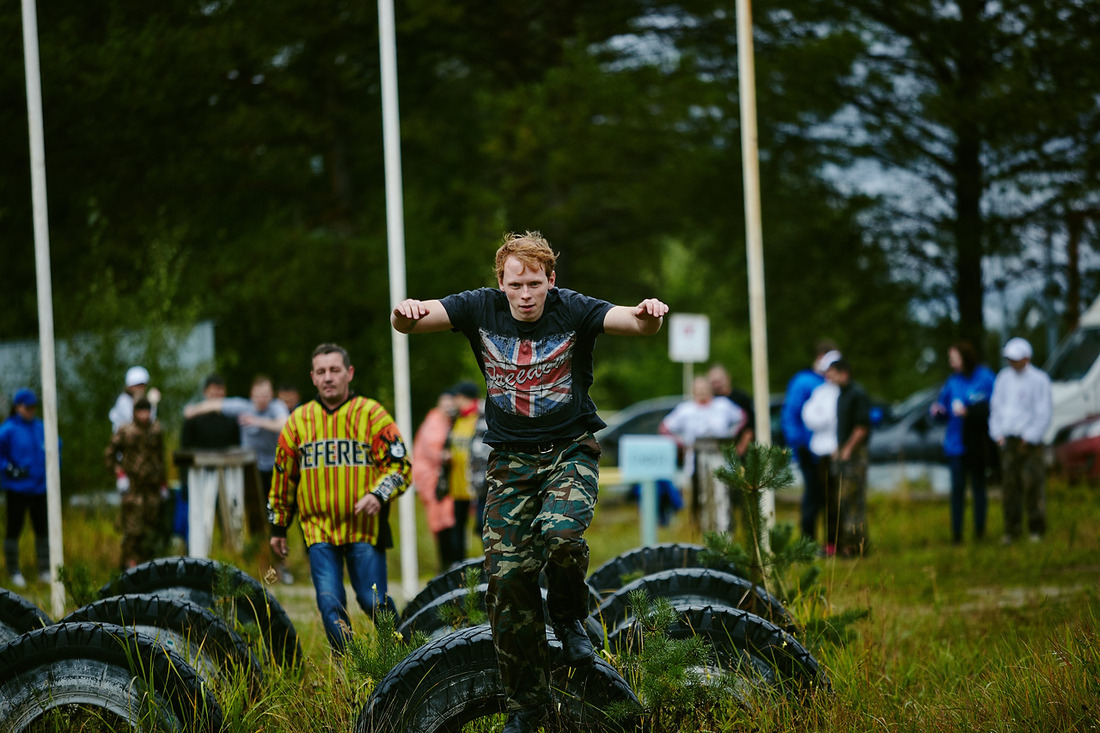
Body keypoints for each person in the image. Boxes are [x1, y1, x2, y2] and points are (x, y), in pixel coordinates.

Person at [391, 230, 669, 733]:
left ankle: (567, 615)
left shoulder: (572, 309)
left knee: (562, 537)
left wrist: (648, 316)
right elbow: (414, 321)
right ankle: (528, 704)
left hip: (569, 452)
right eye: (516, 284)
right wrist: (403, 313)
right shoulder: (480, 308)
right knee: (508, 579)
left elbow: (630, 321)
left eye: (535, 284)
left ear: (551, 281)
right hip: (510, 463)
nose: (525, 295)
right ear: (501, 283)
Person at [267, 343, 412, 652]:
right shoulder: (297, 421)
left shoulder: (372, 414)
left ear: (349, 373)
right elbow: (283, 478)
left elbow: (401, 467)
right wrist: (278, 527)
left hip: (365, 529)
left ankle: (405, 657)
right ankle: (351, 666)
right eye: (321, 372)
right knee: (329, 604)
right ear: (312, 377)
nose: (328, 378)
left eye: (334, 370)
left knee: (373, 601)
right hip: (318, 531)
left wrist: (378, 493)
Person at [930, 341, 997, 544]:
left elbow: (996, 406)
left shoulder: (985, 377)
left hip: (976, 443)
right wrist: (938, 412)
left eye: (954, 358)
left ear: (965, 357)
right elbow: (942, 406)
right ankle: (957, 535)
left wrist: (970, 411)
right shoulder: (952, 382)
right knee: (957, 490)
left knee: (978, 488)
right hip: (955, 444)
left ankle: (980, 532)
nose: (951, 363)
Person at [988, 337, 1052, 545]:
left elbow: (1043, 412)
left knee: (1033, 483)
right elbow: (996, 408)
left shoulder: (1039, 379)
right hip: (1008, 440)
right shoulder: (1003, 378)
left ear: (1027, 358)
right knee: (1009, 486)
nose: (1012, 363)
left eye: (1016, 359)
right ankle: (1012, 529)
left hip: (1029, 442)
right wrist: (997, 434)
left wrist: (1030, 437)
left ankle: (1037, 528)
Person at [105, 397, 167, 569]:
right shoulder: (125, 431)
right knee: (133, 531)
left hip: (152, 488)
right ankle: (127, 569)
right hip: (133, 488)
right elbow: (109, 455)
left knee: (151, 530)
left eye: (147, 411)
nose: (144, 415)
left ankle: (147, 569)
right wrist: (120, 474)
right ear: (135, 412)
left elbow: (160, 458)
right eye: (141, 411)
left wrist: (163, 483)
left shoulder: (155, 430)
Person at [0, 389, 51, 587]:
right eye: (27, 406)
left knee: (42, 529)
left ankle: (45, 570)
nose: (31, 410)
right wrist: (8, 468)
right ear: (18, 406)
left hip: (39, 488)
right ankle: (13, 571)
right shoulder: (8, 429)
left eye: (33, 407)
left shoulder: (40, 427)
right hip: (17, 489)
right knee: (14, 529)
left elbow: (56, 448)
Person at [792, 345, 841, 543]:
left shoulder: (832, 385)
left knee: (828, 498)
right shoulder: (804, 381)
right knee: (813, 497)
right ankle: (808, 542)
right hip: (808, 449)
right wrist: (799, 444)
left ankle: (831, 541)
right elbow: (793, 413)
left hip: (828, 451)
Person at [826, 358, 872, 557]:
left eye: (833, 373)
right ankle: (847, 545)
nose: (830, 377)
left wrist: (849, 448)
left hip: (855, 456)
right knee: (843, 501)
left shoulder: (857, 394)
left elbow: (862, 426)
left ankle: (857, 546)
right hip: (844, 453)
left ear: (843, 373)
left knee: (853, 501)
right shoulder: (841, 395)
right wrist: (838, 449)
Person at [412, 388, 459, 573]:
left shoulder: (442, 421)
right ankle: (447, 567)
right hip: (432, 481)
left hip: (436, 481)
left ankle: (448, 566)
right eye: (445, 404)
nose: (448, 408)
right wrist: (456, 456)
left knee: (445, 521)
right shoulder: (435, 421)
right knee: (442, 524)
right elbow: (437, 451)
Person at [706, 363, 754, 456]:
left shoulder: (740, 397)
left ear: (727, 378)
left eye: (719, 381)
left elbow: (750, 426)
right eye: (713, 382)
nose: (717, 385)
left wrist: (741, 448)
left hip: (739, 450)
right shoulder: (712, 401)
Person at [109, 365, 161, 435]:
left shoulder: (140, 400)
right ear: (130, 386)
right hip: (125, 441)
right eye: (138, 385)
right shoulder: (123, 401)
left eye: (142, 385)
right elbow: (141, 421)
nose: (140, 388)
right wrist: (152, 404)